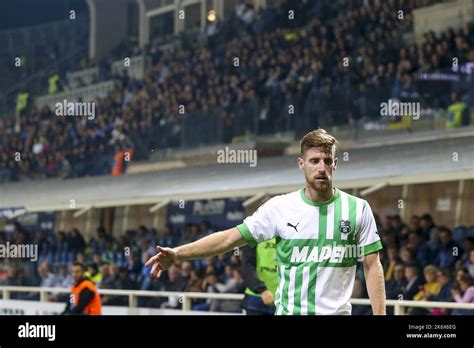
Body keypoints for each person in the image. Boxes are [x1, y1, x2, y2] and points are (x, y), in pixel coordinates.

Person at [145, 129, 386, 315]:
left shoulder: (357, 208)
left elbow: (372, 266)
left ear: (335, 163)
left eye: (327, 160)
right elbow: (229, 239)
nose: (321, 167)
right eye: (314, 161)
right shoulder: (279, 208)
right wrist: (177, 254)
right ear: (301, 164)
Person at [240, 239, 278, 315]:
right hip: (257, 300)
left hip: (284, 299)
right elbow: (247, 267)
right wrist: (262, 290)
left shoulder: (293, 235)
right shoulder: (255, 233)